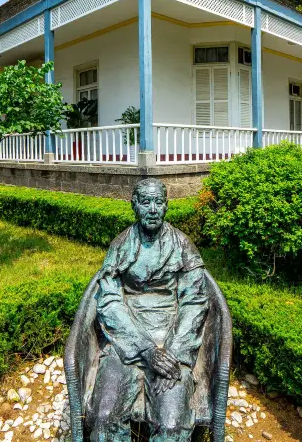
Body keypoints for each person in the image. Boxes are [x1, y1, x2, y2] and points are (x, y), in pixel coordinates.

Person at [88, 179, 210, 442]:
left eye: (158, 202)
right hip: (127, 339)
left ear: (166, 206)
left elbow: (195, 301)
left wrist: (174, 355)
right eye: (145, 202)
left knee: (171, 425)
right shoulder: (120, 245)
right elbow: (109, 300)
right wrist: (144, 348)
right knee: (104, 418)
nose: (152, 209)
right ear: (134, 206)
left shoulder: (182, 245)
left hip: (171, 338)